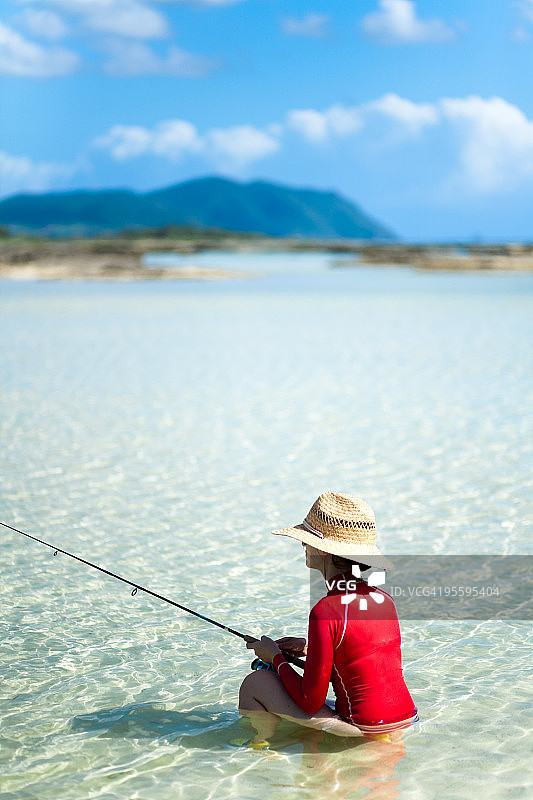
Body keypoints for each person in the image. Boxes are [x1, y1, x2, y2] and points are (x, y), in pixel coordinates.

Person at [239, 491, 418, 744]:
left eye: (307, 540)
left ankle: (261, 748)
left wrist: (275, 658)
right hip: (405, 718)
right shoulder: (385, 600)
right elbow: (362, 658)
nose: (303, 545)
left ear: (323, 551)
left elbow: (310, 702)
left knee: (256, 683)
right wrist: (310, 650)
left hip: (363, 727)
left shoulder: (326, 611)